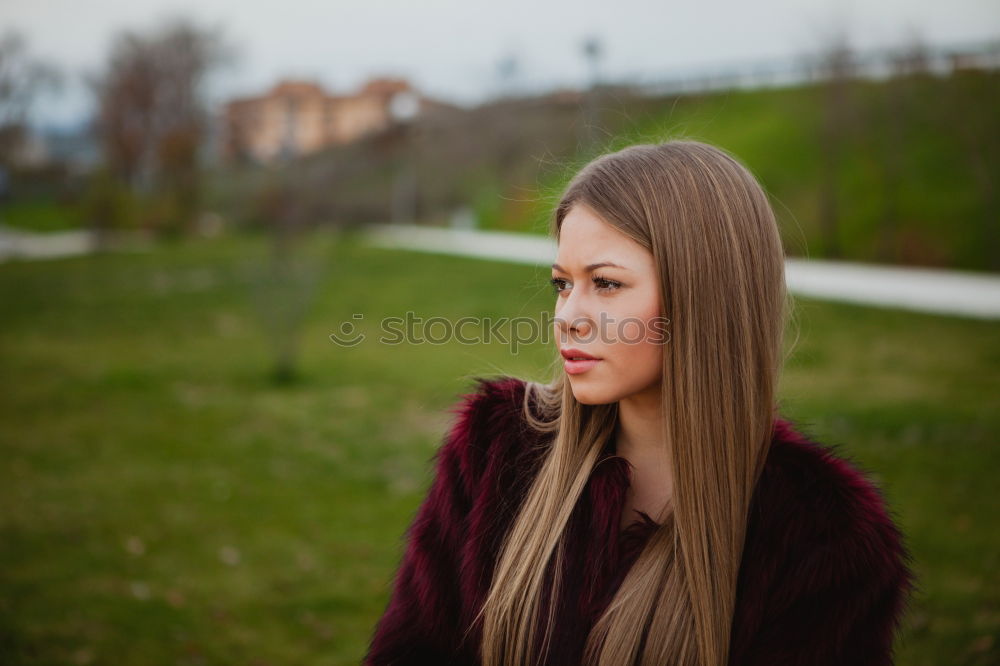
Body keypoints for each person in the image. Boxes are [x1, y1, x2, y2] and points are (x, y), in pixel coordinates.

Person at [363, 140, 916, 665]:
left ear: (702, 294)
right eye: (562, 283)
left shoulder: (821, 537)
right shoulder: (495, 452)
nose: (567, 316)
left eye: (605, 284)